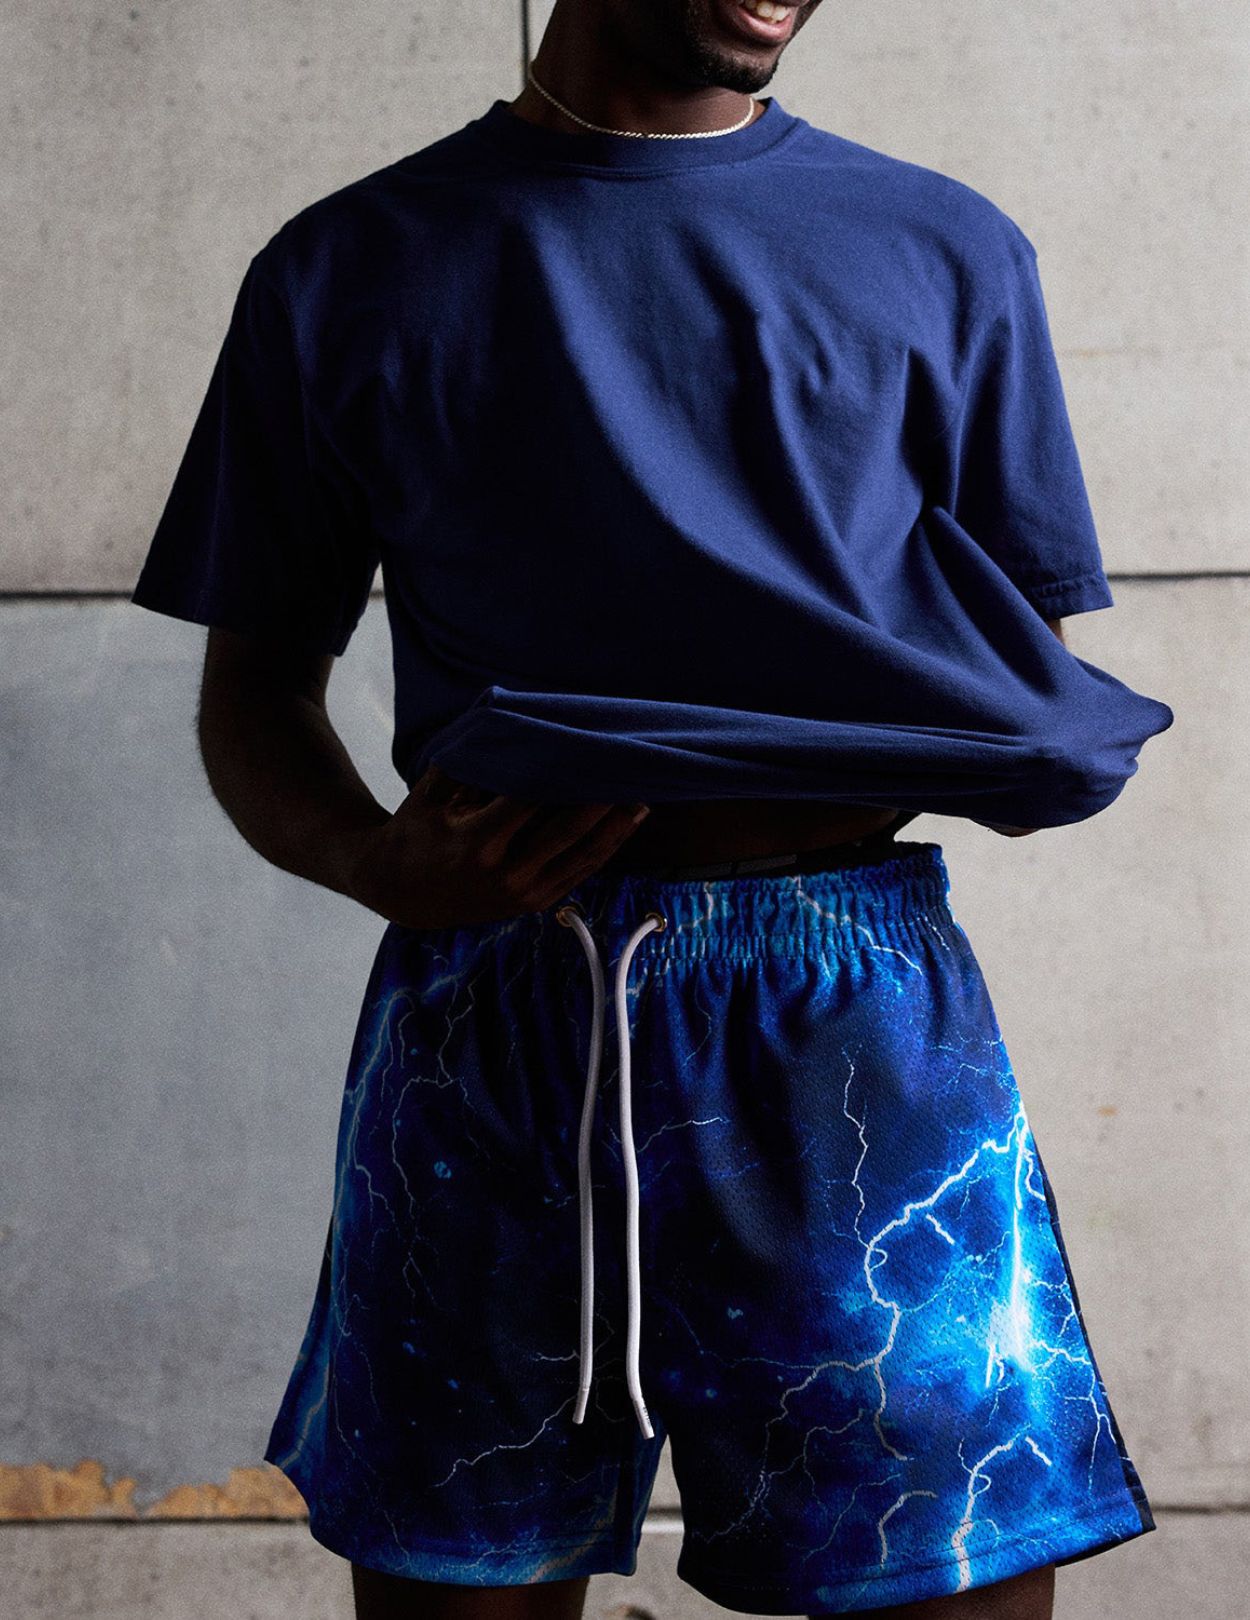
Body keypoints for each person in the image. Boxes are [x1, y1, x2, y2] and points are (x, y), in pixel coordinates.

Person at [131, 1, 1171, 1616]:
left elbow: (1010, 690)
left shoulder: (943, 247)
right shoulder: (348, 264)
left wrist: (973, 750)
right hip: (497, 993)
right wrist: (368, 857)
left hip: (844, 1003)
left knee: (947, 1573)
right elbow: (258, 686)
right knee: (459, 1579)